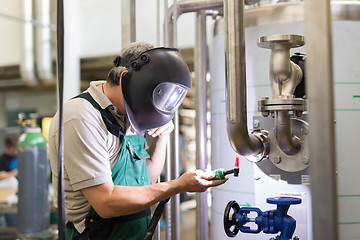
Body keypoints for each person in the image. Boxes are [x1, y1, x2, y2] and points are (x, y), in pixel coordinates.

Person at [48, 42, 227, 240]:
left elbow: (146, 178)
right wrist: (177, 185)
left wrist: (163, 136)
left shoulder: (128, 113)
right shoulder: (81, 116)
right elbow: (105, 202)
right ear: (127, 80)